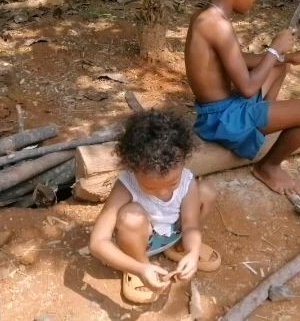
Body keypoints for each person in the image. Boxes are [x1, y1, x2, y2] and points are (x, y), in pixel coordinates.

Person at [185, 0, 300, 195]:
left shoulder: (207, 16)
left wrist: (285, 57)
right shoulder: (217, 26)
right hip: (224, 121)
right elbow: (248, 88)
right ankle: (269, 166)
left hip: (220, 113)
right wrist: (274, 49)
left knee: (279, 66)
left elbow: (240, 61)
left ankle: (266, 123)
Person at [89, 111, 220, 304]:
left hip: (176, 231)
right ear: (132, 169)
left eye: (173, 182)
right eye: (150, 187)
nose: (162, 192)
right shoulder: (126, 185)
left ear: (183, 161)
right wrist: (140, 269)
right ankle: (138, 264)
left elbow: (190, 224)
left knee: (207, 191)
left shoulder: (186, 179)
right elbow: (98, 242)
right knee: (130, 217)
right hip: (143, 241)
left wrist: (193, 252)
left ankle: (182, 247)